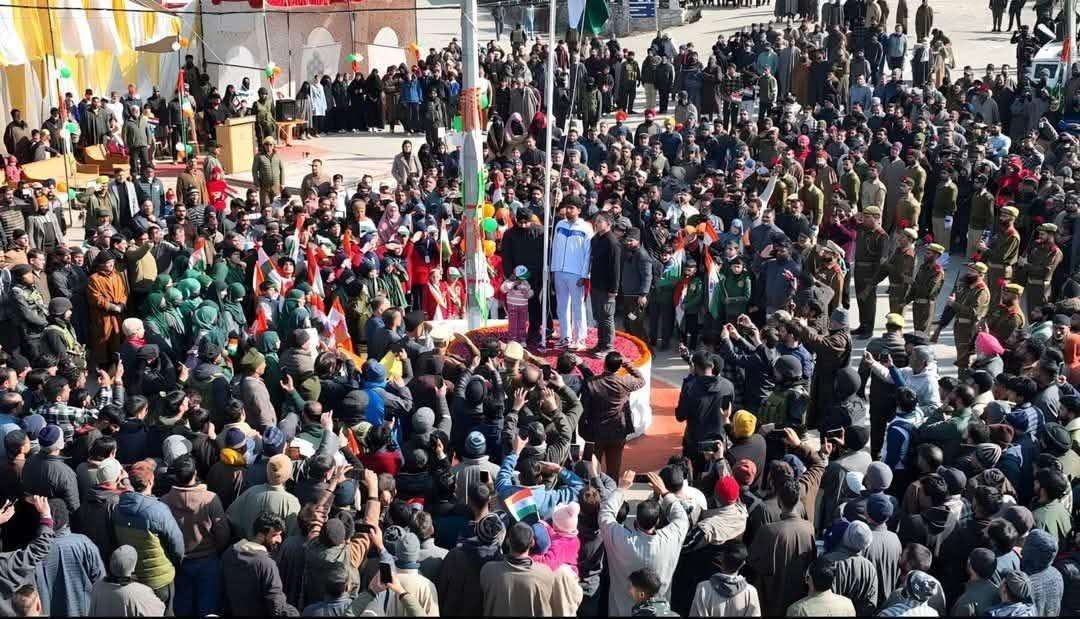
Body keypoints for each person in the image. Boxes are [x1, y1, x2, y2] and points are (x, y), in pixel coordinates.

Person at [550, 196, 593, 350]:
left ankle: (579, 338)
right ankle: (565, 337)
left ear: (579, 210)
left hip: (576, 273)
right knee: (561, 306)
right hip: (559, 272)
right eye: (567, 207)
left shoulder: (586, 228)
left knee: (577, 306)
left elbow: (588, 253)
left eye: (571, 208)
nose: (568, 210)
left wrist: (584, 275)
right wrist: (553, 269)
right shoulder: (560, 224)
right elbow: (554, 247)